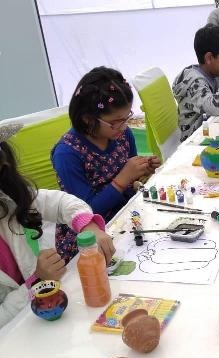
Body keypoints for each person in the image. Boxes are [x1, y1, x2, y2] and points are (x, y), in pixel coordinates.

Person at [0, 124, 114, 325]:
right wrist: (37, 281)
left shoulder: (10, 200)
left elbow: (61, 203)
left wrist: (87, 225)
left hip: (46, 314)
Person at [51, 66, 160, 262]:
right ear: (88, 119)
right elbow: (84, 213)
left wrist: (142, 170)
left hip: (125, 217)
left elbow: (130, 177)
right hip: (89, 237)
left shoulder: (122, 134)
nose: (124, 126)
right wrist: (123, 178)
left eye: (127, 118)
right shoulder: (67, 154)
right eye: (116, 122)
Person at [172, 24, 219, 142]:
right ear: (209, 58)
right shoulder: (195, 81)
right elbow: (213, 107)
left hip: (207, 131)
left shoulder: (210, 75)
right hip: (194, 140)